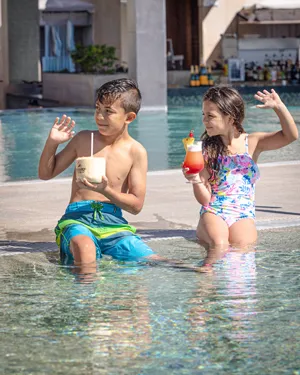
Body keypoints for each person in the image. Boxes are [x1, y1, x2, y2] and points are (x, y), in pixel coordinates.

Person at [39, 78, 201, 274]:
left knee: (153, 259)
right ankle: (88, 301)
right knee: (85, 249)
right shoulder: (83, 139)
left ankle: (202, 274)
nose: (99, 116)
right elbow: (46, 173)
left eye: (108, 111)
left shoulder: (136, 152)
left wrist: (106, 190)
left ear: (129, 117)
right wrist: (52, 143)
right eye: (97, 108)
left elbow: (136, 206)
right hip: (78, 219)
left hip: (113, 223)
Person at [182, 86, 298, 256]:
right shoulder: (205, 150)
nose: (205, 121)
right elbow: (205, 199)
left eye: (210, 116)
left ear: (230, 117)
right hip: (214, 212)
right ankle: (205, 278)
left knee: (242, 250)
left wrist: (279, 107)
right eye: (204, 115)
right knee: (219, 246)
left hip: (243, 214)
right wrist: (194, 179)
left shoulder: (252, 142)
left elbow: (290, 136)